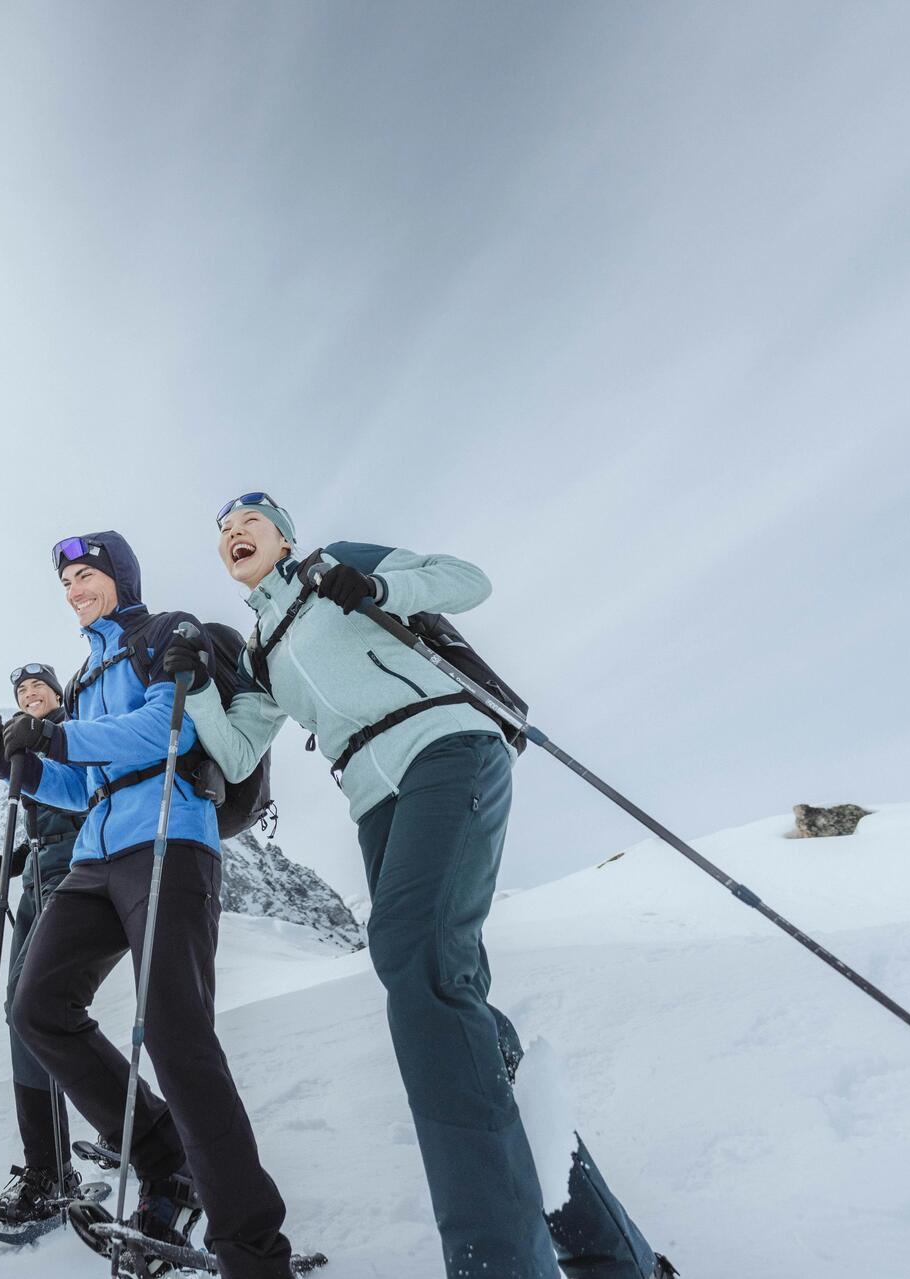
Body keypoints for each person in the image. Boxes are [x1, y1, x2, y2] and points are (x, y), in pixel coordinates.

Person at [163, 493, 674, 1279]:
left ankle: (499, 1261)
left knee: (417, 961)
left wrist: (377, 590)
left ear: (285, 536)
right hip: (374, 799)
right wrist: (199, 685)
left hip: (445, 744)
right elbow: (236, 757)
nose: (234, 534)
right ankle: (608, 1251)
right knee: (447, 994)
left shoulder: (337, 565)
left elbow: (465, 581)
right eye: (223, 531)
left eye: (249, 522)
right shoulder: (263, 650)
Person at [0, 531, 294, 1279]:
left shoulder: (164, 633)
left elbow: (167, 726)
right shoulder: (83, 678)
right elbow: (84, 786)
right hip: (96, 852)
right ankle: (163, 1156)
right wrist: (18, 766)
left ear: (119, 577)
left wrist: (57, 734)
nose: (75, 589)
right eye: (67, 581)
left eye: (86, 574)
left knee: (178, 1035)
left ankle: (253, 1249)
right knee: (37, 1006)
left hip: (170, 837)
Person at [0, 662, 87, 1225]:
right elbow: (44, 828)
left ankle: (50, 1166)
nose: (30, 694)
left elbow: (89, 801)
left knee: (30, 1009)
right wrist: (11, 863)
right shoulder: (25, 751)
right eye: (21, 691)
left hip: (78, 877)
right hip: (38, 883)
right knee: (20, 1011)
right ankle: (55, 1158)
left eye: (38, 686)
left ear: (58, 693)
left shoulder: (80, 730)